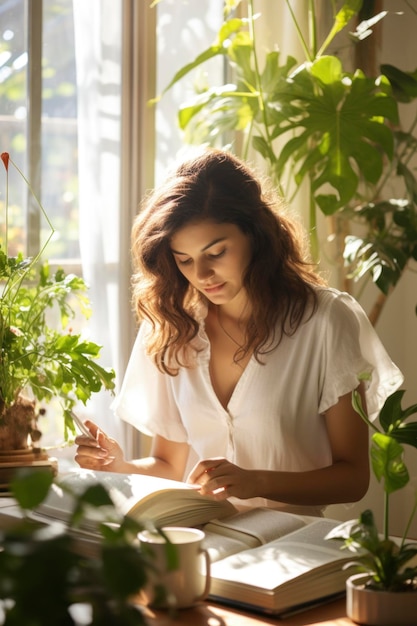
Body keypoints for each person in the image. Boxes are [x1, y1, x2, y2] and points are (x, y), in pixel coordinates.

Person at [75, 149, 403, 516]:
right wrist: (118, 466)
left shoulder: (324, 320)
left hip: (292, 549)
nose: (201, 275)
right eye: (184, 260)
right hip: (204, 542)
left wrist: (256, 481)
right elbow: (169, 466)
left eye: (216, 252)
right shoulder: (172, 325)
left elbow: (353, 478)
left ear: (256, 233)